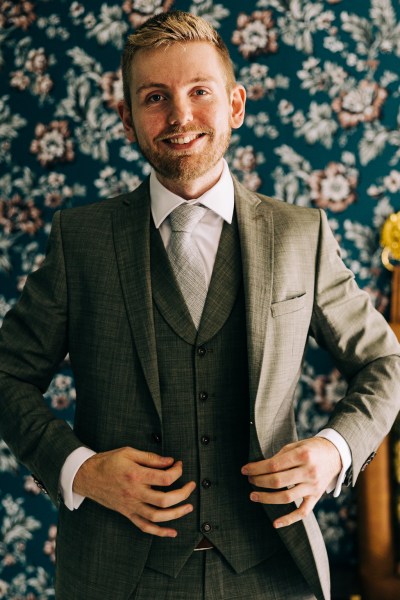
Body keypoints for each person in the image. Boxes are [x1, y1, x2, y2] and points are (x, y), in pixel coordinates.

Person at [0, 10, 399, 600]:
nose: (179, 116)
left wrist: (334, 452)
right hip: (116, 577)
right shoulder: (80, 241)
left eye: (199, 92)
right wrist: (79, 469)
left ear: (235, 105)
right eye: (155, 97)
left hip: (273, 570)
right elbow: (7, 373)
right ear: (127, 119)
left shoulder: (300, 234)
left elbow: (384, 364)